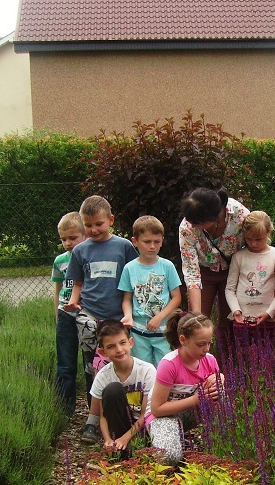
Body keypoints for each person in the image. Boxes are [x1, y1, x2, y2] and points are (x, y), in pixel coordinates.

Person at [63, 195, 139, 442]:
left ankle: (125, 414)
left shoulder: (124, 247)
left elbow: (131, 279)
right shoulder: (80, 250)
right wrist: (75, 301)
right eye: (88, 225)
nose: (93, 229)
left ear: (111, 220)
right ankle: (92, 420)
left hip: (117, 317)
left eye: (98, 224)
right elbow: (78, 281)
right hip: (90, 315)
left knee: (121, 362)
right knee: (92, 368)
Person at [148, 311, 224, 465]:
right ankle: (150, 437)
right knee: (168, 457)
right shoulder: (169, 364)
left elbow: (215, 396)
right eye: (201, 344)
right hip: (163, 416)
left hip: (188, 413)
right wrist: (196, 399)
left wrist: (220, 380)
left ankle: (218, 445)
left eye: (210, 343)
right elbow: (157, 409)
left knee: (223, 396)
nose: (207, 349)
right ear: (183, 340)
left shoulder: (209, 360)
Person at [178, 188, 250, 333]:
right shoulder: (187, 226)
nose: (194, 227)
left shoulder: (240, 215)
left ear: (215, 216)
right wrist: (197, 316)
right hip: (203, 272)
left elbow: (253, 246)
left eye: (198, 224)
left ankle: (226, 355)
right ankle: (198, 355)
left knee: (229, 322)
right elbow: (191, 273)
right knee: (197, 322)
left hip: (232, 271)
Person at [87, 320, 156, 459]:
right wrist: (107, 439)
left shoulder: (147, 371)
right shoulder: (103, 376)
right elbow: (103, 416)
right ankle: (119, 449)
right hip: (119, 426)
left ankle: (127, 450)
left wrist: (125, 439)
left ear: (131, 342)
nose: (119, 350)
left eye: (122, 343)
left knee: (139, 450)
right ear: (103, 352)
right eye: (111, 346)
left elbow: (145, 415)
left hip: (142, 427)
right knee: (113, 389)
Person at [119, 216, 182, 366]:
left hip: (163, 331)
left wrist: (159, 317)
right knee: (142, 369)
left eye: (157, 242)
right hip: (139, 331)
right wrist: (128, 316)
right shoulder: (129, 268)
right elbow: (127, 298)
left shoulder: (167, 266)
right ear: (135, 242)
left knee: (164, 368)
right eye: (147, 242)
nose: (152, 246)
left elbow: (177, 297)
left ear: (162, 241)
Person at [224, 211, 275, 338]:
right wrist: (236, 311)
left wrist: (269, 313)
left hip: (268, 319)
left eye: (259, 239)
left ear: (268, 233)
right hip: (242, 319)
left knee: (269, 355)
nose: (253, 243)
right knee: (243, 355)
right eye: (249, 239)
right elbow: (230, 289)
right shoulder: (238, 257)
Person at [51, 211, 87, 414]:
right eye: (63, 239)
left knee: (92, 362)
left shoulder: (88, 257)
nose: (68, 243)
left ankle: (95, 409)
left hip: (86, 312)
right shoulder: (60, 261)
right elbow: (57, 289)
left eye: (73, 238)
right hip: (65, 315)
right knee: (65, 363)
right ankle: (65, 408)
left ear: (84, 236)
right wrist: (57, 314)